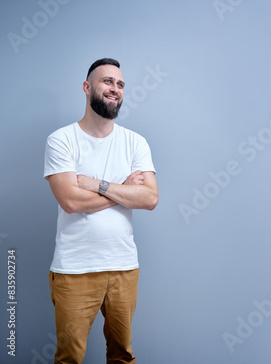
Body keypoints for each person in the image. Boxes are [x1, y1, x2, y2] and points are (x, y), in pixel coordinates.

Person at [43, 58, 159, 364]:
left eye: (120, 84)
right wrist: (123, 189)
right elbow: (71, 202)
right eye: (107, 81)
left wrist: (98, 185)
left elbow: (149, 198)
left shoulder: (135, 142)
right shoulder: (61, 140)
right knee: (69, 358)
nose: (115, 89)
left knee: (122, 356)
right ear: (87, 87)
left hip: (124, 268)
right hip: (74, 270)